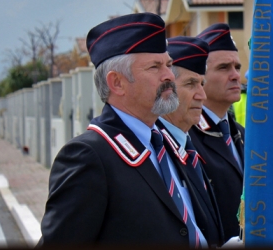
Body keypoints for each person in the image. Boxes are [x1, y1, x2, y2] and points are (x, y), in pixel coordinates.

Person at [40, 13, 206, 246]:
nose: (169, 75)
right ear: (117, 83)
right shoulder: (89, 156)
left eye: (168, 64)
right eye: (154, 67)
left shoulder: (164, 142)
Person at [156, 35, 225, 247]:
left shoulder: (185, 145)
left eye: (202, 84)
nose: (202, 95)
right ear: (166, 89)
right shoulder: (154, 148)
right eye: (191, 84)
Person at [189, 23, 245, 242]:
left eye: (237, 67)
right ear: (199, 78)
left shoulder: (241, 133)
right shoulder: (187, 137)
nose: (234, 76)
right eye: (223, 68)